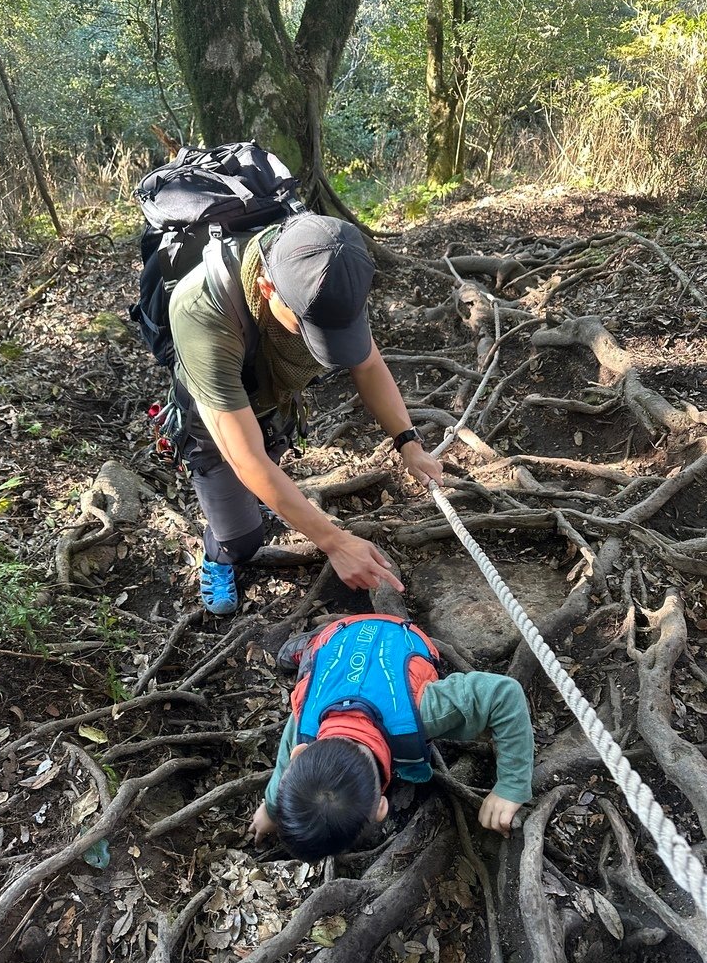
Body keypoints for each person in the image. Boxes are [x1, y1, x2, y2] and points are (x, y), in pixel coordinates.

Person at [168, 212, 443, 614]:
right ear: (266, 289)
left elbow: (368, 364)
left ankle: (263, 500)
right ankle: (218, 554)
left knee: (266, 468)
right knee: (242, 539)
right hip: (213, 417)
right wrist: (334, 541)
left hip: (273, 402)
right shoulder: (202, 311)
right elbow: (245, 457)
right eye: (307, 327)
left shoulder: (334, 273)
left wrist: (408, 442)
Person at [249, 614, 534, 861]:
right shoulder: (304, 720)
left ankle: (308, 648)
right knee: (312, 667)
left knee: (310, 669)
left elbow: (504, 694)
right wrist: (272, 809)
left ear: (382, 808)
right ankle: (308, 646)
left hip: (398, 637)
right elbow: (285, 764)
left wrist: (512, 786)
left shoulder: (422, 711)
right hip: (339, 639)